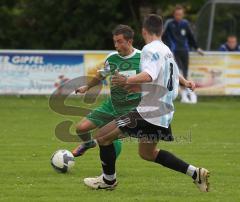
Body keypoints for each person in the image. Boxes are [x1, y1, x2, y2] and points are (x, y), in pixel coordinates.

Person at [83, 14, 210, 192]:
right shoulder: (166, 49)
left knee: (102, 136)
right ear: (162, 30)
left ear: (144, 31)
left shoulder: (150, 49)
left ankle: (108, 181)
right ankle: (195, 173)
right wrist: (186, 82)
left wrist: (128, 81)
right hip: (163, 112)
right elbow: (166, 74)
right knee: (147, 153)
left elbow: (149, 75)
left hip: (148, 112)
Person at [72, 24, 142, 158]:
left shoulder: (143, 58)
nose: (116, 45)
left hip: (131, 110)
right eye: (114, 41)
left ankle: (108, 174)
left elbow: (152, 78)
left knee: (107, 141)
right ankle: (88, 144)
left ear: (129, 41)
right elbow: (101, 75)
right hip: (111, 105)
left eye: (119, 41)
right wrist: (87, 87)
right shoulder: (112, 58)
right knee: (80, 129)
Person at [163, 4, 203, 104]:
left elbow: (191, 37)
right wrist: (165, 48)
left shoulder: (185, 24)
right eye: (177, 14)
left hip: (184, 51)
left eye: (180, 14)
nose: (178, 16)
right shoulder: (169, 23)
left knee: (184, 72)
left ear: (183, 14)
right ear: (174, 14)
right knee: (178, 72)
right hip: (174, 51)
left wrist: (197, 48)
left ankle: (191, 94)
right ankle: (184, 95)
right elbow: (163, 36)